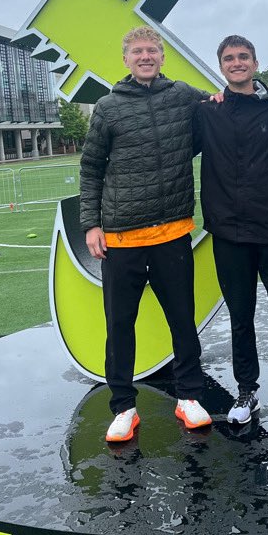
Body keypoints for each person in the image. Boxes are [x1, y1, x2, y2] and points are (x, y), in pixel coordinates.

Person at [80, 25, 212, 441]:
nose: (145, 57)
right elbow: (91, 169)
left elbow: (224, 106)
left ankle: (189, 397)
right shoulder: (107, 106)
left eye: (152, 50)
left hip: (172, 233)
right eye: (137, 51)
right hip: (121, 239)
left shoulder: (184, 96)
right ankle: (122, 406)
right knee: (120, 324)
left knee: (182, 321)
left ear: (162, 56)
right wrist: (91, 223)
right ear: (125, 59)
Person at [193, 35, 268, 424]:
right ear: (221, 65)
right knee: (240, 316)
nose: (237, 63)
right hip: (228, 232)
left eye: (243, 57)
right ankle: (246, 392)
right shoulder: (206, 112)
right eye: (229, 58)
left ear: (255, 62)